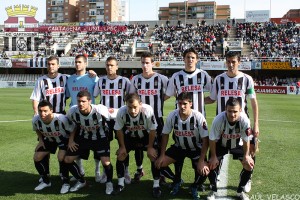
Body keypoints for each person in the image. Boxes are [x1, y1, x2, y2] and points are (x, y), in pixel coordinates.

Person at [205, 50, 259, 193]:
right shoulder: (219, 79)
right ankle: (214, 177)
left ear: (239, 62)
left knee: (251, 151)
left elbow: (253, 102)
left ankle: (248, 179)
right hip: (222, 124)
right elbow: (212, 98)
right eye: (228, 61)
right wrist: (196, 99)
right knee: (215, 153)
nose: (230, 64)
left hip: (241, 124)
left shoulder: (247, 79)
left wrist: (256, 123)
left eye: (233, 62)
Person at [165, 47, 212, 194]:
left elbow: (215, 95)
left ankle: (197, 182)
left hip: (198, 123)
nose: (190, 60)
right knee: (180, 147)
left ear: (196, 60)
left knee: (198, 153)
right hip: (180, 121)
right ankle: (177, 179)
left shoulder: (203, 75)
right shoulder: (176, 76)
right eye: (187, 57)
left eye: (192, 57)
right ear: (183, 59)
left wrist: (201, 102)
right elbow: (168, 94)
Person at [129, 52, 174, 184]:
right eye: (143, 62)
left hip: (157, 118)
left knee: (158, 147)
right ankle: (139, 169)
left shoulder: (161, 78)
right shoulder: (136, 79)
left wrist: (161, 99)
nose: (145, 65)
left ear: (153, 63)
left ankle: (160, 173)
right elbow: (132, 97)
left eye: (147, 62)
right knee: (138, 146)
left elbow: (171, 92)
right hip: (140, 119)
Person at [155, 92, 210, 200]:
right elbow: (165, 135)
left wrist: (202, 160)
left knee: (204, 170)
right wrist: (162, 155)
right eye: (179, 103)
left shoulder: (198, 117)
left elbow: (205, 140)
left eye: (185, 103)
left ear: (191, 104)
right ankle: (177, 180)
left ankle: (194, 187)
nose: (182, 106)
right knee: (158, 163)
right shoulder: (172, 115)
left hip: (195, 148)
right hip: (178, 147)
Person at [64, 91, 114, 195]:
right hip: (84, 138)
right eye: (78, 101)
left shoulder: (100, 110)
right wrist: (71, 140)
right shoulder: (73, 111)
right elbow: (72, 125)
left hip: (100, 138)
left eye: (83, 101)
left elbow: (114, 116)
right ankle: (81, 181)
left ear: (89, 101)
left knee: (106, 162)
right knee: (67, 159)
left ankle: (109, 182)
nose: (80, 104)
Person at [113, 93, 161, 198]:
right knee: (121, 155)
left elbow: (153, 130)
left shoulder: (147, 110)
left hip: (146, 136)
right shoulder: (121, 112)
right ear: (126, 105)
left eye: (135, 107)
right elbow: (119, 130)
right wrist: (122, 147)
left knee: (153, 156)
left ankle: (156, 185)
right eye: (130, 107)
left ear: (140, 104)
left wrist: (150, 147)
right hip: (130, 136)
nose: (133, 110)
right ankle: (120, 184)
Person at [207, 98, 254, 200]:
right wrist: (214, 156)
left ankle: (240, 191)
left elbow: (246, 139)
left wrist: (246, 156)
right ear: (225, 110)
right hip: (221, 144)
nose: (232, 114)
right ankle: (213, 190)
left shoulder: (245, 120)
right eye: (230, 111)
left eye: (235, 111)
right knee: (211, 163)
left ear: (240, 110)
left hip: (238, 144)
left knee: (249, 164)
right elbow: (212, 139)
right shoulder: (218, 120)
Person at [93, 56, 131, 184]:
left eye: (112, 65)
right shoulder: (101, 81)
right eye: (108, 65)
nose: (109, 67)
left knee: (124, 145)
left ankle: (126, 171)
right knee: (104, 145)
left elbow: (131, 98)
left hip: (121, 118)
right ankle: (105, 171)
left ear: (117, 66)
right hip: (105, 118)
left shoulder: (124, 81)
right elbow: (95, 95)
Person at [66, 54, 100, 181]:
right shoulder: (70, 79)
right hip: (75, 118)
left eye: (80, 62)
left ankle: (97, 171)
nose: (77, 64)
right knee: (77, 144)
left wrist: (95, 75)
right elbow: (68, 95)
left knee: (97, 146)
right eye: (76, 62)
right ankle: (80, 169)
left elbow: (97, 93)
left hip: (91, 116)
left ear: (86, 64)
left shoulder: (93, 78)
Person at [32, 100, 76, 194]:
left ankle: (65, 183)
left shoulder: (61, 119)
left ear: (51, 110)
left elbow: (73, 129)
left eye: (45, 111)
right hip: (49, 139)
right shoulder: (35, 119)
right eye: (40, 111)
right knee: (37, 157)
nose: (42, 113)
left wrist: (71, 141)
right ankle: (46, 181)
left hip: (63, 139)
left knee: (61, 157)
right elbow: (36, 129)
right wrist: (41, 140)